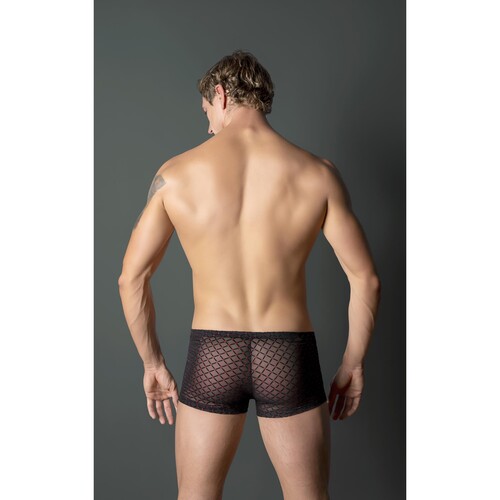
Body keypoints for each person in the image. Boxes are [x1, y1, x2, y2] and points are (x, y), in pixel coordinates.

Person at [118, 49, 381, 500]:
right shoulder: (319, 174)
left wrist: (152, 363)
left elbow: (131, 279)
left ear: (221, 95)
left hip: (213, 351)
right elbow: (366, 279)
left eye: (207, 111)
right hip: (288, 354)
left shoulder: (175, 175)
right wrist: (353, 362)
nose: (208, 126)